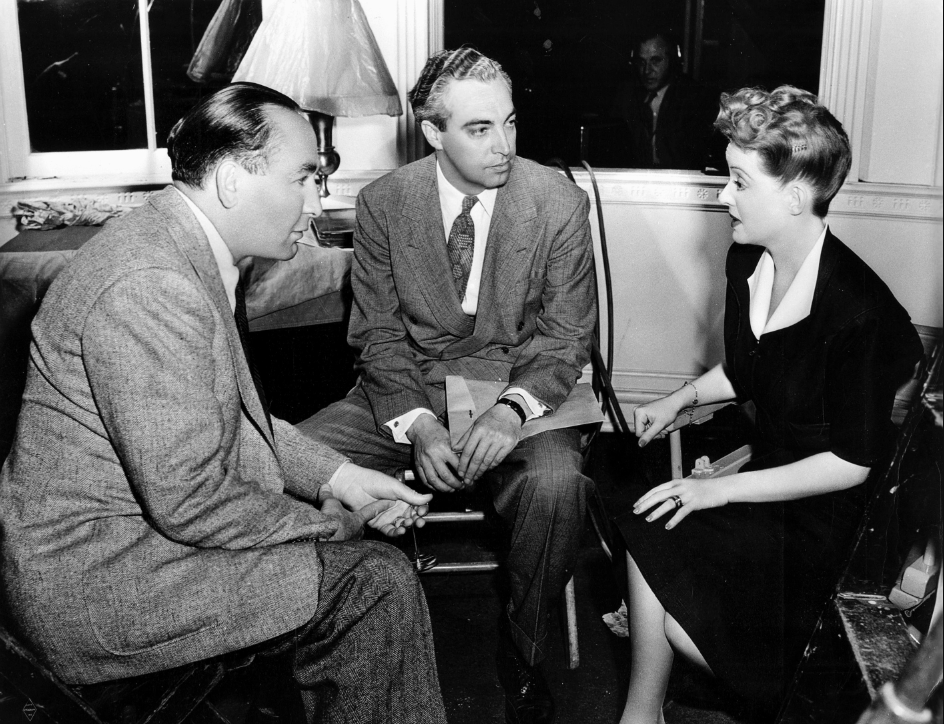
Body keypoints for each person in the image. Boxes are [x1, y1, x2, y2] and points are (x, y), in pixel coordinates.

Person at [0, 83, 447, 724]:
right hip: (101, 588)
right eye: (304, 178)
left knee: (365, 571)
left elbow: (238, 420)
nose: (316, 200)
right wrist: (337, 524)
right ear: (234, 180)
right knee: (373, 582)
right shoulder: (151, 283)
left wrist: (345, 479)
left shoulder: (178, 245)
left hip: (132, 549)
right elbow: (190, 500)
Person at [296, 48, 597, 724]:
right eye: (479, 129)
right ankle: (317, 647)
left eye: (509, 123)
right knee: (287, 459)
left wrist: (512, 411)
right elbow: (377, 336)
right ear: (433, 132)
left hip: (517, 389)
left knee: (556, 485)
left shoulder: (556, 202)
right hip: (406, 388)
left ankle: (526, 656)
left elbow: (564, 338)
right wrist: (420, 425)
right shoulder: (384, 203)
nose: (504, 146)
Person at [614, 86, 923, 723]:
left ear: (794, 197)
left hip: (832, 521)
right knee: (647, 514)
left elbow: (852, 464)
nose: (722, 196)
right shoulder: (747, 262)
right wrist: (680, 399)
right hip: (769, 484)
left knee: (677, 609)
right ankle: (641, 714)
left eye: (739, 181)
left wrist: (718, 491)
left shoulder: (860, 313)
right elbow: (753, 367)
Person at [610, 29, 718, 170]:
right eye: (641, 62)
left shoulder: (694, 97)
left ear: (672, 60)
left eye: (655, 61)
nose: (647, 70)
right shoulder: (627, 95)